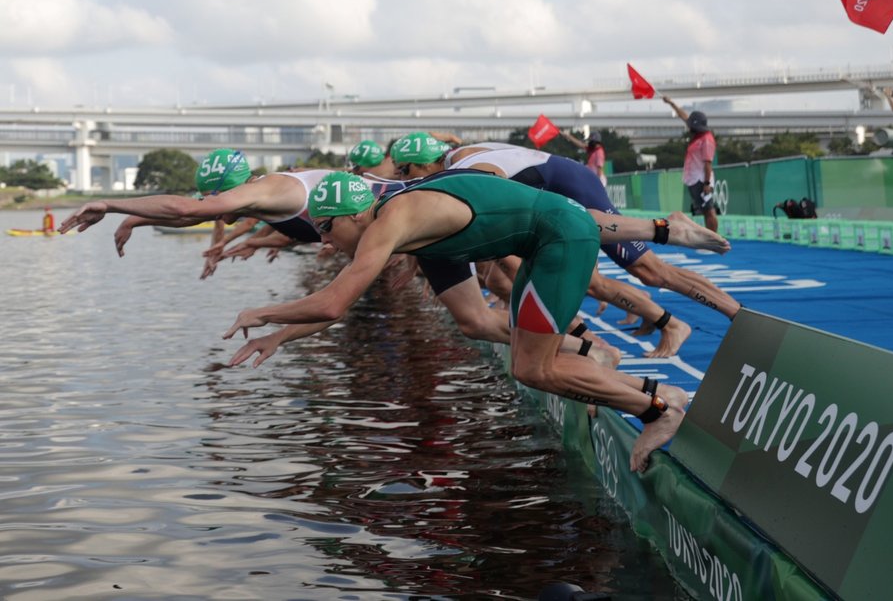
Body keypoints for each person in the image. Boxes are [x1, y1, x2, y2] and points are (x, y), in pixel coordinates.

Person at [224, 170, 730, 472]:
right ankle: (650, 393)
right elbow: (339, 304)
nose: (328, 244)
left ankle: (659, 408)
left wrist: (261, 312)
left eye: (328, 231)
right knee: (528, 360)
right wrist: (280, 336)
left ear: (355, 215)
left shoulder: (390, 221)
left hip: (559, 241)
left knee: (535, 368)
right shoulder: (396, 213)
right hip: (548, 238)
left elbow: (333, 303)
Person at [60, 148, 615, 365]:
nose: (213, 212)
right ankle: (583, 343)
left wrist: (110, 202)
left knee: (518, 273)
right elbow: (190, 213)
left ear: (233, 187)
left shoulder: (270, 191)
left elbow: (187, 209)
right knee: (473, 321)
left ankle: (597, 332)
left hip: (414, 223)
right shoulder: (272, 205)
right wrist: (134, 215)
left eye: (216, 200)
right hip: (404, 234)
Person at [391, 135, 742, 329]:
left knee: (649, 271)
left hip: (573, 190)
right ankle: (661, 318)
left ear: (424, 164)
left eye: (404, 171)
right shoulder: (454, 157)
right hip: (560, 196)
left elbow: (493, 201)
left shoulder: (467, 166)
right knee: (596, 280)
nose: (403, 180)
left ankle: (734, 313)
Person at [662, 95, 719, 232]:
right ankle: (710, 238)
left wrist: (706, 184)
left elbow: (707, 164)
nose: (688, 127)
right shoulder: (698, 135)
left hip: (701, 179)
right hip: (693, 178)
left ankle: (714, 239)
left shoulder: (706, 139)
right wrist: (671, 103)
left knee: (709, 210)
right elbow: (684, 117)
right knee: (704, 210)